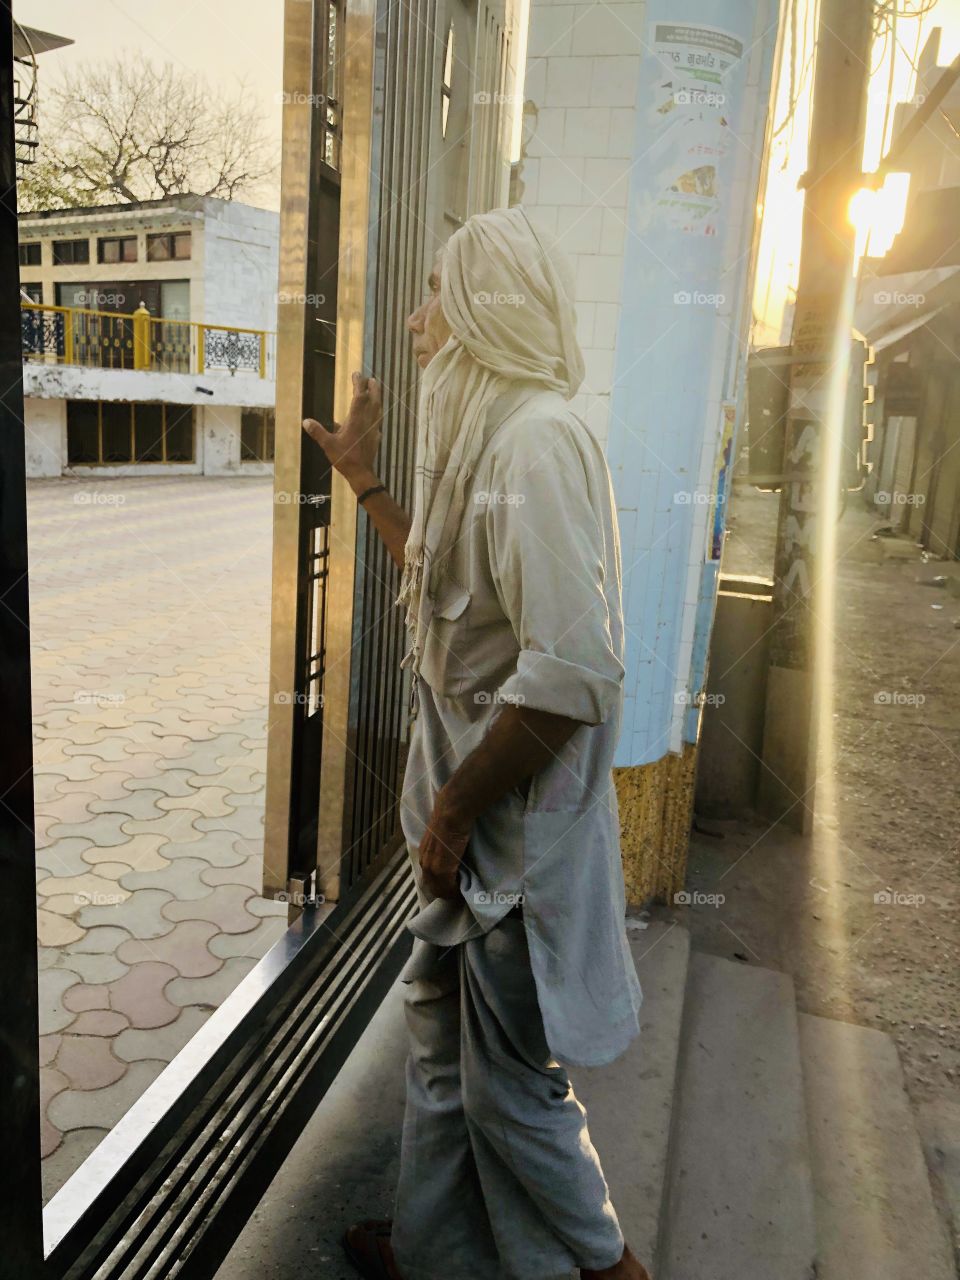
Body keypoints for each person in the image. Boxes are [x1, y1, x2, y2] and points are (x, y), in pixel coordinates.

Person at [303, 205, 650, 1280]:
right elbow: (445, 581)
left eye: (436, 295)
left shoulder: (538, 440)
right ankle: (429, 1247)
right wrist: (363, 478)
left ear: (489, 309)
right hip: (468, 852)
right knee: (444, 1054)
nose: (415, 322)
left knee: (513, 1088)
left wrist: (453, 815)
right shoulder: (493, 440)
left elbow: (573, 672)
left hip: (507, 852)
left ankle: (611, 1269)